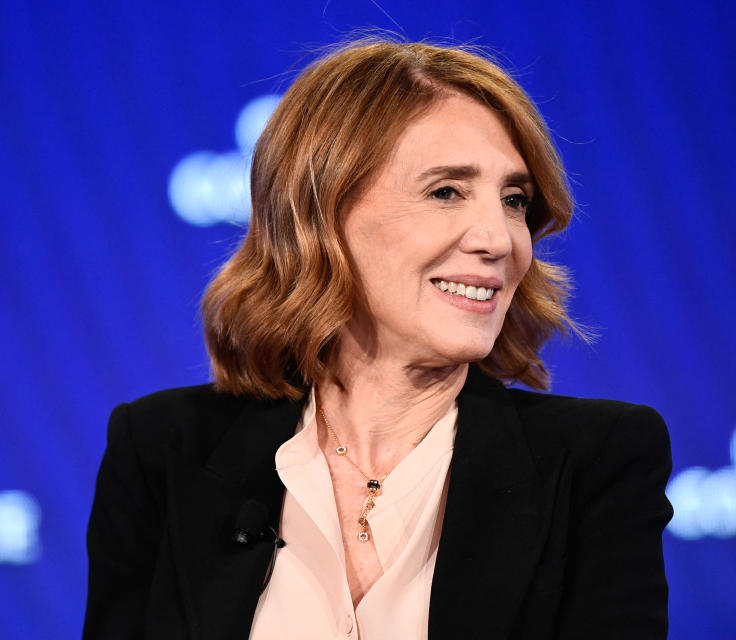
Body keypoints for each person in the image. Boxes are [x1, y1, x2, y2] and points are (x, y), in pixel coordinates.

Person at [84, 39, 673, 639]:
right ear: (322, 215)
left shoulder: (598, 461)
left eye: (515, 200)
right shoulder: (162, 450)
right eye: (446, 191)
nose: (499, 239)